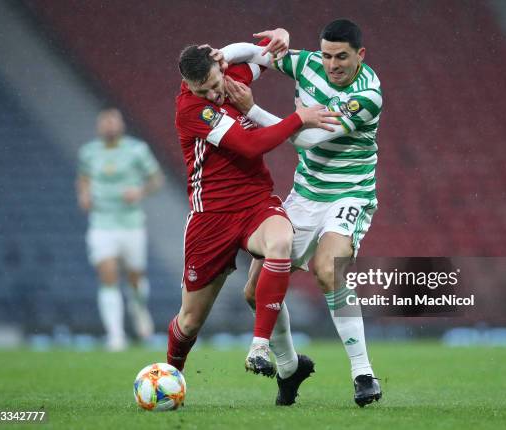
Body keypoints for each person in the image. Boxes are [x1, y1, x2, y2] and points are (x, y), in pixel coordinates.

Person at [220, 19, 383, 406]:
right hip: (306, 195)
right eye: (327, 55)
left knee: (328, 270)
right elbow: (253, 52)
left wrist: (252, 109)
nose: (332, 65)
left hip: (349, 193)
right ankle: (290, 368)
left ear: (360, 55)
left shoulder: (368, 94)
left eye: (341, 57)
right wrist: (219, 57)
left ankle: (363, 374)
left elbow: (309, 137)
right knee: (255, 292)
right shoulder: (308, 64)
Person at [167, 40, 341, 386]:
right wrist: (299, 118)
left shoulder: (228, 77)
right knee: (189, 321)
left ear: (219, 68)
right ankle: (172, 375)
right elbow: (250, 145)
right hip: (212, 216)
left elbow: (265, 55)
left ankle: (260, 347)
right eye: (205, 90)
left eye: (217, 83)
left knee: (280, 242)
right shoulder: (191, 109)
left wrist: (276, 36)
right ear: (189, 86)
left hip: (255, 202)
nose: (216, 94)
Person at [77, 108, 164, 351]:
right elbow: (83, 178)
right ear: (99, 126)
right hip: (102, 223)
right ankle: (115, 336)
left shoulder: (137, 150)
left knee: (135, 277)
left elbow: (156, 179)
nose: (109, 126)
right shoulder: (88, 153)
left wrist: (140, 191)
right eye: (104, 122)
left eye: (113, 121)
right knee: (108, 275)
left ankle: (138, 309)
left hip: (131, 223)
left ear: (121, 125)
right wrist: (83, 194)